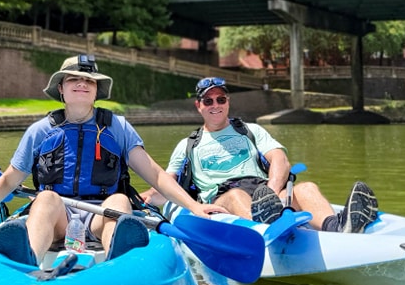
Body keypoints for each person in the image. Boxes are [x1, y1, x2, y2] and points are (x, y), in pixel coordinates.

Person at [0, 55, 227, 265]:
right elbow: (11, 178)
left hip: (101, 214)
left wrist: (194, 206)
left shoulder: (117, 127)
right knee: (46, 199)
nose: (81, 84)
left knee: (119, 202)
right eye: (73, 80)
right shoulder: (41, 130)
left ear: (96, 91)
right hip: (57, 217)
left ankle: (119, 261)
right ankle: (27, 261)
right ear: (61, 89)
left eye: (88, 81)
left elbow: (155, 174)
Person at [141, 76, 378, 233]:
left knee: (307, 188)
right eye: (208, 100)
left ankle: (338, 227)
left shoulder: (251, 130)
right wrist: (145, 198)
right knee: (236, 196)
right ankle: (265, 231)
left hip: (263, 189)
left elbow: (279, 159)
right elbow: (166, 183)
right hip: (223, 196)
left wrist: (271, 195)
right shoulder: (187, 145)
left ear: (228, 102)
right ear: (199, 105)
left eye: (221, 99)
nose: (215, 104)